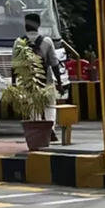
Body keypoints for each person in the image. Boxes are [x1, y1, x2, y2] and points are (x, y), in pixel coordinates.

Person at [24, 13, 66, 141]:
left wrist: (16, 85)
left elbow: (15, 66)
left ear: (25, 25)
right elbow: (54, 64)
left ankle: (36, 131)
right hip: (46, 80)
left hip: (29, 81)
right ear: (38, 25)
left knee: (32, 107)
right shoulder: (47, 41)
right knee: (50, 105)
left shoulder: (19, 42)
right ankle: (50, 129)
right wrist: (59, 83)